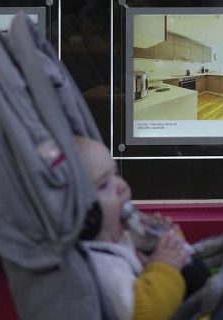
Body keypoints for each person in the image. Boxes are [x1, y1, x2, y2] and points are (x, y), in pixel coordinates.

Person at [74, 136, 193, 320]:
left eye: (116, 174)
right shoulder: (105, 268)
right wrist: (164, 266)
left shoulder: (120, 238)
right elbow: (145, 312)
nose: (121, 186)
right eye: (104, 184)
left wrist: (159, 240)